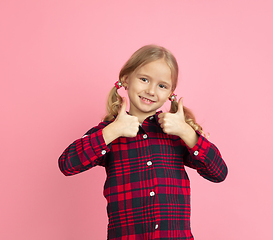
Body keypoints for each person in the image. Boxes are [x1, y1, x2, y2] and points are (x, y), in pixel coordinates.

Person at [58, 44, 228, 240]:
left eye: (162, 85)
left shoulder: (176, 133)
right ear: (126, 79)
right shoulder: (109, 132)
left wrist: (186, 132)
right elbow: (67, 164)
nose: (151, 90)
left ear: (170, 92)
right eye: (144, 79)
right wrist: (113, 130)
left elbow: (218, 173)